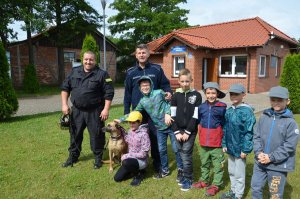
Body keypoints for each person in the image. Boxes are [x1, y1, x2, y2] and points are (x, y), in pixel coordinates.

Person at [118, 76, 183, 180]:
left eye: (147, 85)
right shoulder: (143, 101)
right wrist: (121, 119)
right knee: (161, 150)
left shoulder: (159, 92)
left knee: (176, 149)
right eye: (143, 86)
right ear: (140, 88)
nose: (145, 87)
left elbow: (170, 101)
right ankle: (165, 170)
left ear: (151, 85)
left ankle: (181, 169)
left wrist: (167, 113)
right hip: (160, 129)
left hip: (171, 126)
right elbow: (134, 112)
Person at [123, 44, 172, 173]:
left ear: (148, 54)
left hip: (155, 112)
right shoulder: (130, 72)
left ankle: (157, 162)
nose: (141, 55)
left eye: (144, 53)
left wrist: (168, 92)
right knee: (137, 138)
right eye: (139, 53)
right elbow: (127, 94)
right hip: (138, 112)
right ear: (136, 54)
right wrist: (127, 112)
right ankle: (140, 164)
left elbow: (165, 85)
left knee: (155, 137)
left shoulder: (157, 69)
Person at [61, 51, 114, 169]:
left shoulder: (102, 74)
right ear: (82, 59)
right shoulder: (74, 72)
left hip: (95, 111)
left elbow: (109, 93)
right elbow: (65, 88)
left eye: (91, 60)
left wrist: (106, 109)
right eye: (86, 59)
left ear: (95, 61)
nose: (88, 62)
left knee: (97, 135)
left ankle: (98, 158)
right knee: (75, 134)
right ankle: (73, 157)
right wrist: (64, 105)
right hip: (77, 111)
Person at [251, 86, 299, 199]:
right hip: (260, 162)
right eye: (273, 99)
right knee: (255, 187)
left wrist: (271, 157)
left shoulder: (290, 123)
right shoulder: (263, 117)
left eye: (280, 100)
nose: (276, 103)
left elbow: (289, 146)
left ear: (287, 101)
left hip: (278, 165)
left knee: (275, 193)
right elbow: (256, 136)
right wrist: (259, 153)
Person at [220, 84, 256, 199]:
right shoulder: (229, 110)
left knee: (239, 174)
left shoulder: (247, 112)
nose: (234, 96)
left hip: (240, 149)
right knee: (231, 171)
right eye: (231, 94)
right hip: (230, 147)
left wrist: (245, 149)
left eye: (236, 94)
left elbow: (249, 132)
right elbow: (225, 128)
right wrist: (225, 143)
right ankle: (233, 191)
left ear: (243, 95)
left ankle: (239, 195)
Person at [192, 82, 227, 197]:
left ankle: (216, 184)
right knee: (204, 163)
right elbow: (197, 122)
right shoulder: (201, 107)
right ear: (205, 94)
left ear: (217, 93)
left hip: (216, 143)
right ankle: (204, 181)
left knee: (218, 166)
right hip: (203, 142)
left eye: (213, 93)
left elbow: (225, 125)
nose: (211, 95)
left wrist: (224, 139)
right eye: (208, 93)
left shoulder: (222, 107)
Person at [170, 69, 202, 191]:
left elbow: (195, 116)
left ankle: (189, 178)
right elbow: (172, 115)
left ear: (191, 81)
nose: (184, 84)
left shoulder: (196, 95)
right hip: (178, 130)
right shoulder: (175, 95)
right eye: (182, 81)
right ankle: (183, 174)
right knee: (179, 152)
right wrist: (177, 132)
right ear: (179, 81)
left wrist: (188, 132)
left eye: (187, 81)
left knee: (186, 154)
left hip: (191, 130)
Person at [114, 111, 151, 186]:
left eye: (133, 122)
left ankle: (139, 174)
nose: (131, 124)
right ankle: (132, 170)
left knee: (126, 162)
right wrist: (122, 130)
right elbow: (128, 139)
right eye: (130, 122)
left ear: (139, 122)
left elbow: (143, 154)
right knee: (117, 178)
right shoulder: (130, 131)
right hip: (130, 159)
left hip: (141, 160)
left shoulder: (144, 134)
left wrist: (127, 155)